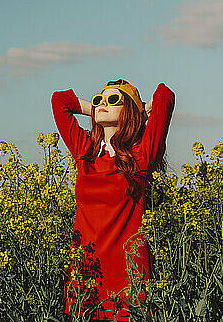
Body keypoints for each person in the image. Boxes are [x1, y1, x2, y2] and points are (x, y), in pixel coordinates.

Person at [51, 78, 175, 321]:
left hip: (126, 273)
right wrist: (94, 109)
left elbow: (165, 96)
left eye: (114, 99)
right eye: (100, 99)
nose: (103, 103)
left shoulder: (140, 157)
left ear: (129, 109)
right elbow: (60, 101)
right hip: (86, 269)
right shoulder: (85, 153)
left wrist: (139, 109)